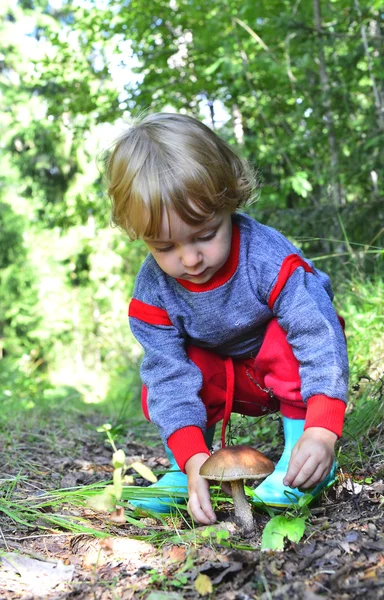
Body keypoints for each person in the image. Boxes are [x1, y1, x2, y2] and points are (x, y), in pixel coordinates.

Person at [106, 112, 349, 525]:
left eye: (204, 234)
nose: (190, 258)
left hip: (283, 375)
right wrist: (192, 457)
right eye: (165, 246)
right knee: (168, 374)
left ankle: (302, 458)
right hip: (222, 380)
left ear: (228, 202)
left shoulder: (268, 259)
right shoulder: (153, 292)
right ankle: (193, 474)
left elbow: (318, 334)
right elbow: (169, 379)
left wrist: (323, 429)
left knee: (287, 334)